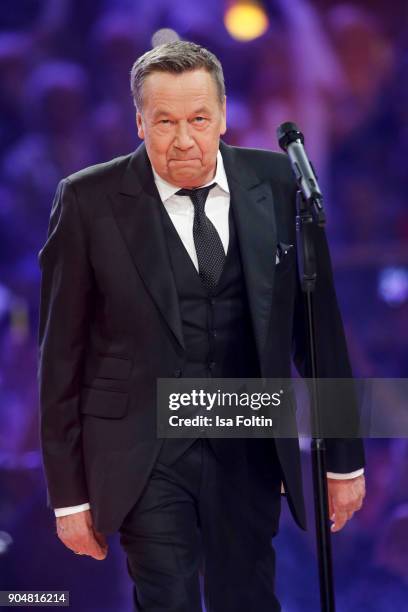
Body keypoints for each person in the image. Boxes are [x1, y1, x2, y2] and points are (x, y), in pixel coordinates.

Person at [38, 41, 366, 611]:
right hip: (145, 449)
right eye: (165, 121)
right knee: (166, 597)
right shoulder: (88, 200)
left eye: (198, 119)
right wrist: (68, 498)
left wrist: (344, 458)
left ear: (223, 117)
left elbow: (319, 334)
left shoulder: (279, 184)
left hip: (249, 438)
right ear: (140, 122)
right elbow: (60, 358)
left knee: (249, 597)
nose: (183, 139)